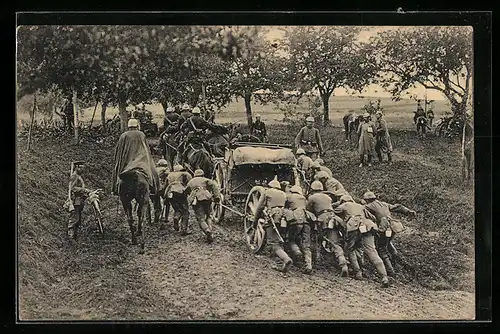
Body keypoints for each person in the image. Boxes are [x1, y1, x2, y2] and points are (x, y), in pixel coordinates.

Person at [333, 195, 389, 287]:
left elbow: (333, 212)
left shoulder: (345, 204)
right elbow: (373, 218)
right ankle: (384, 277)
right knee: (372, 251)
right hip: (367, 225)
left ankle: (358, 272)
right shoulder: (360, 206)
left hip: (353, 225)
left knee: (350, 249)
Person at [362, 191, 416, 276]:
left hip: (383, 228)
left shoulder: (368, 206)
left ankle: (390, 270)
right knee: (388, 243)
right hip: (392, 227)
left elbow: (361, 212)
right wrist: (408, 211)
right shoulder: (384, 204)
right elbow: (398, 207)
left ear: (367, 200)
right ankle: (396, 261)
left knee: (381, 248)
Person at [306, 181, 348, 276]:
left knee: (317, 239)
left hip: (322, 219)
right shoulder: (328, 197)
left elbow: (308, 210)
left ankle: (317, 260)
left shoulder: (312, 198)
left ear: (313, 189)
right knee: (334, 242)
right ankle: (342, 262)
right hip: (333, 218)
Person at [254, 176, 294, 272]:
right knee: (279, 238)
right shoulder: (283, 194)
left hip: (273, 216)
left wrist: (255, 221)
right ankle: (281, 259)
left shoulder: (267, 192)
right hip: (284, 216)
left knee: (272, 242)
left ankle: (285, 259)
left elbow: (260, 207)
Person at [111, 118, 160, 196]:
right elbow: (146, 149)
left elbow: (118, 150)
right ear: (137, 126)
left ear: (128, 126)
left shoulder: (123, 135)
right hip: (141, 163)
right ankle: (154, 188)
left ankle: (115, 188)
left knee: (117, 170)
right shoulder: (141, 134)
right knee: (153, 172)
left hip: (127, 163)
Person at [284, 185, 314, 274]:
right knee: (306, 245)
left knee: (291, 239)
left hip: (295, 221)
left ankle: (297, 253)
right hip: (306, 221)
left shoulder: (289, 196)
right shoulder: (304, 198)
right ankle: (308, 265)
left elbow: (283, 206)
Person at [185, 169, 221, 243]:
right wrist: (216, 197)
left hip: (197, 200)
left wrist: (191, 195)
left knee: (201, 218)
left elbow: (186, 190)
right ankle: (210, 231)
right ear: (202, 174)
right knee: (208, 216)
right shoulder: (206, 180)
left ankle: (207, 230)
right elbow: (214, 186)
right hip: (207, 198)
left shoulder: (191, 181)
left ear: (194, 175)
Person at [66, 161, 91, 240]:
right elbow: (72, 188)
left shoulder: (78, 176)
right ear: (76, 167)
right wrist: (85, 190)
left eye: (83, 167)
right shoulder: (74, 176)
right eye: (81, 167)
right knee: (74, 219)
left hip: (79, 201)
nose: (82, 169)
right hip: (75, 201)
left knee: (78, 220)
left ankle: (75, 237)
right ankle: (70, 238)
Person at [164, 164, 192, 234]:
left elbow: (166, 185)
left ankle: (176, 217)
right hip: (180, 193)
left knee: (177, 209)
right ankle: (184, 229)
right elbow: (190, 184)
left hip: (171, 193)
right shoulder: (185, 174)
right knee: (185, 211)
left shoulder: (170, 175)